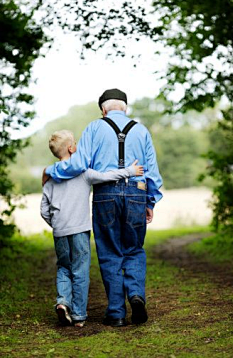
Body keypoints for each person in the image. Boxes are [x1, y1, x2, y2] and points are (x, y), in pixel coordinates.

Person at [42, 88, 163, 327]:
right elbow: (153, 173)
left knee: (109, 252)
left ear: (103, 110)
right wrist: (149, 202)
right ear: (125, 108)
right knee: (134, 249)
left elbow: (76, 164)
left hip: (105, 196)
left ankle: (116, 313)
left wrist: (50, 171)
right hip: (136, 193)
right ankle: (136, 295)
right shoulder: (141, 130)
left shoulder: (94, 128)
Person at [40, 129, 143, 328]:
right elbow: (107, 176)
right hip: (79, 230)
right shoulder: (83, 173)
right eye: (76, 143)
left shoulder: (50, 179)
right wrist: (129, 172)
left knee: (64, 267)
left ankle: (62, 302)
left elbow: (44, 209)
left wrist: (56, 224)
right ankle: (78, 315)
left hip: (60, 231)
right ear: (72, 148)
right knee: (80, 270)